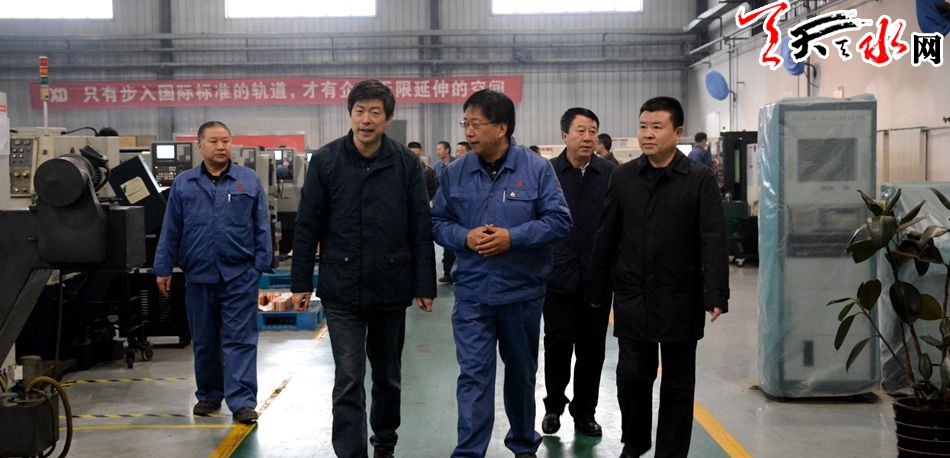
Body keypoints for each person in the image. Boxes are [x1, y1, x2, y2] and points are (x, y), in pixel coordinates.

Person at [290, 79, 437, 458]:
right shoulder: (326, 161)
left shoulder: (406, 163)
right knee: (348, 378)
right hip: (341, 288)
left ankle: (384, 442)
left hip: (390, 286)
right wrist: (301, 281)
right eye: (360, 111)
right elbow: (307, 224)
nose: (366, 120)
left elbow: (420, 226)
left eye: (375, 112)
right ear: (350, 114)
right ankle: (350, 452)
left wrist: (425, 285)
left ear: (388, 118)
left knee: (388, 376)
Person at [432, 89, 572, 458]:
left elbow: (559, 221)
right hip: (473, 293)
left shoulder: (536, 169)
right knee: (474, 375)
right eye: (465, 124)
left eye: (476, 124)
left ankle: (523, 444)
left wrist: (513, 238)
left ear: (502, 128)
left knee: (521, 374)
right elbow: (438, 223)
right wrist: (465, 237)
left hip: (521, 293)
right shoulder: (456, 172)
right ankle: (469, 452)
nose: (469, 132)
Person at [587, 97, 729, 458]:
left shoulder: (698, 179)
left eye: (656, 127)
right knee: (632, 378)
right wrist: (597, 286)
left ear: (677, 132)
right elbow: (607, 234)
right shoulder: (623, 177)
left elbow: (712, 237)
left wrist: (716, 292)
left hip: (681, 295)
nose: (647, 134)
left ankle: (671, 452)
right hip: (634, 296)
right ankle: (635, 442)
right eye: (643, 127)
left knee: (678, 385)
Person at [153, 120, 272, 424]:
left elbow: (261, 226)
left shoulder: (248, 180)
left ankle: (242, 402)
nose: (221, 147)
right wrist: (163, 268)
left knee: (240, 341)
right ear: (200, 146)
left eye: (226, 141)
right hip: (198, 276)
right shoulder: (184, 184)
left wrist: (259, 266)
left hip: (239, 276)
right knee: (205, 341)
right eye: (214, 141)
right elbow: (171, 229)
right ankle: (208, 394)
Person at [541, 108, 616, 439]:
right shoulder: (547, 173)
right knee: (557, 345)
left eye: (592, 132)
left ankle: (585, 412)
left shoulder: (611, 174)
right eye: (580, 131)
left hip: (597, 280)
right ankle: (553, 406)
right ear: (564, 135)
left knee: (592, 351)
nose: (587, 138)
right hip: (557, 278)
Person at [433, 141, 456, 283]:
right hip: (442, 204)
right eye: (437, 149)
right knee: (446, 242)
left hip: (454, 204)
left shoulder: (456, 165)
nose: (438, 152)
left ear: (447, 150)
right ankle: (448, 272)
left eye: (440, 149)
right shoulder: (436, 167)